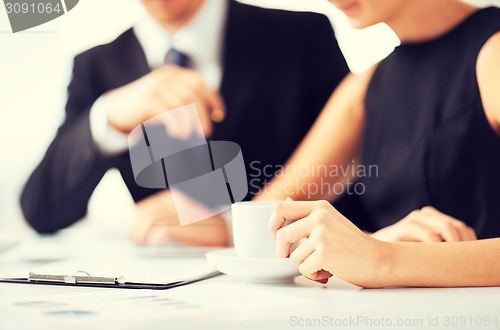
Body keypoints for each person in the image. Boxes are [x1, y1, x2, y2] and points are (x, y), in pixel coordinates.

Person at [20, 0, 349, 246]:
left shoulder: (302, 36)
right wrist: (108, 116)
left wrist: (235, 225)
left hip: (291, 277)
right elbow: (42, 210)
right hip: (162, 286)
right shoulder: (96, 65)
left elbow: (356, 170)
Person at [261, 0, 500, 287]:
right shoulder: (367, 84)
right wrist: (189, 126)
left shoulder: (493, 56)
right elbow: (266, 216)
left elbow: (379, 257)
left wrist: (383, 257)